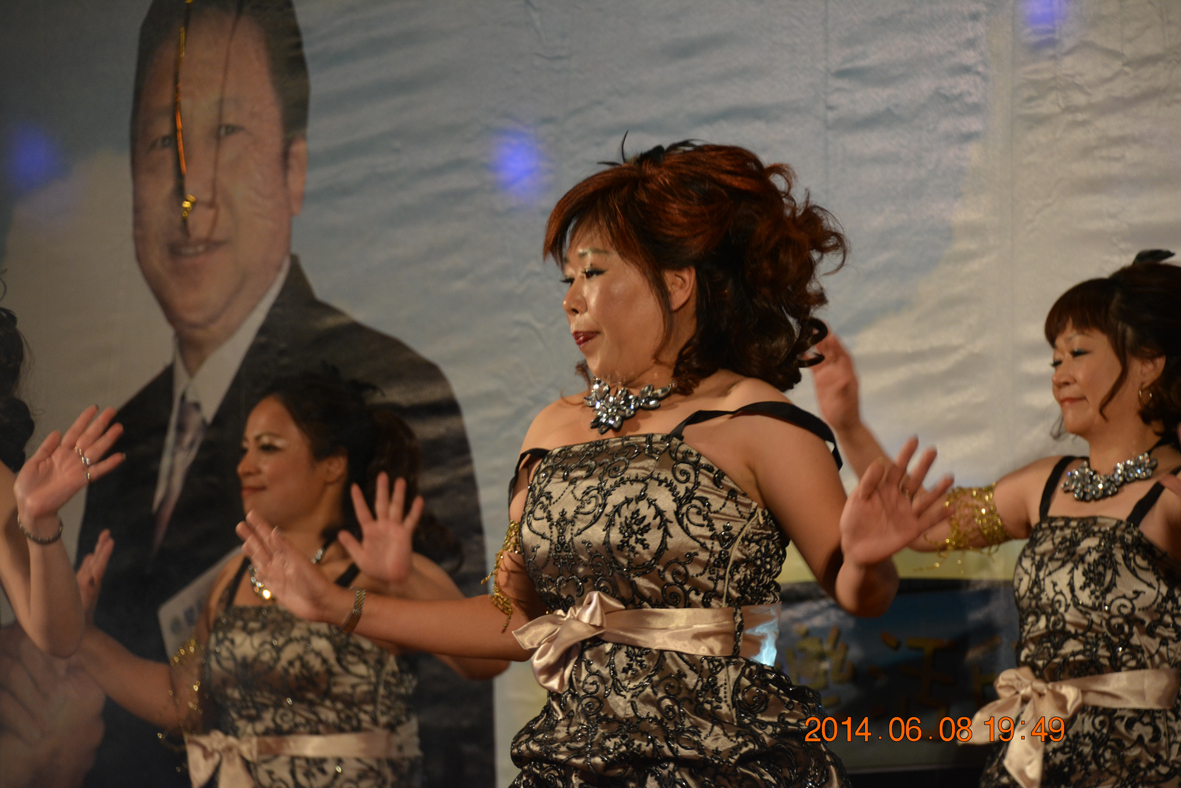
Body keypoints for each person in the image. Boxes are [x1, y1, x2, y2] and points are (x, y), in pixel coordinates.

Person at [239, 141, 954, 787]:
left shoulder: (755, 420)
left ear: (676, 283)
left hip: (723, 764)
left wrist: (868, 560)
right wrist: (337, 605)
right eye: (566, 280)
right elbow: (512, 620)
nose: (571, 301)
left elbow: (861, 592)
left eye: (593, 272)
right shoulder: (551, 431)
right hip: (571, 767)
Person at [63, 1, 490, 785]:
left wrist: (399, 579)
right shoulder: (224, 559)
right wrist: (70, 630)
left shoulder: (376, 537)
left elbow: (480, 669)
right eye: (162, 143)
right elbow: (181, 701)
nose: (191, 191)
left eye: (225, 132)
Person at [810, 255, 1181, 787]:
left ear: (1149, 364)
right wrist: (848, 423)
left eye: (1078, 353)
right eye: (1054, 360)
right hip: (1038, 754)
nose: (1060, 376)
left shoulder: (1171, 492)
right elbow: (922, 525)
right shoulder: (1046, 484)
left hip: (1144, 762)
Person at [76, 370, 506, 787]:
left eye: (267, 447)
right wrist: (84, 637)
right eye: (244, 449)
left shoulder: (379, 572)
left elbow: (489, 658)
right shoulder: (232, 577)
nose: (244, 466)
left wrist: (407, 579)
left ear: (332, 465)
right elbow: (184, 704)